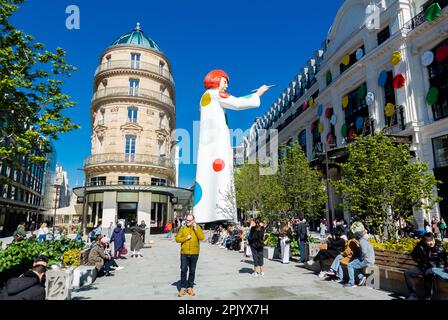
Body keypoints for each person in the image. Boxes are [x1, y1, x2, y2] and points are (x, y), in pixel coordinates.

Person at [404, 232, 448, 300]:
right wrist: (420, 261)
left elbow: (443, 260)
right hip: (422, 267)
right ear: (424, 241)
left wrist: (438, 267)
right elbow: (413, 255)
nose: (431, 243)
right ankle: (413, 295)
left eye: (432, 240)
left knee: (428, 273)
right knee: (407, 273)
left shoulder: (439, 246)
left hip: (435, 268)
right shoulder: (420, 246)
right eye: (429, 241)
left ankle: (427, 297)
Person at [175, 214, 205, 297]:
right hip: (184, 253)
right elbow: (177, 239)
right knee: (183, 270)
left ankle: (190, 287)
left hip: (194, 253)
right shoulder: (183, 228)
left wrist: (196, 229)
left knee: (192, 271)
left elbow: (202, 238)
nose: (188, 222)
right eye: (187, 220)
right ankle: (183, 288)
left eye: (189, 220)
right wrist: (185, 238)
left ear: (193, 220)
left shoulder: (197, 228)